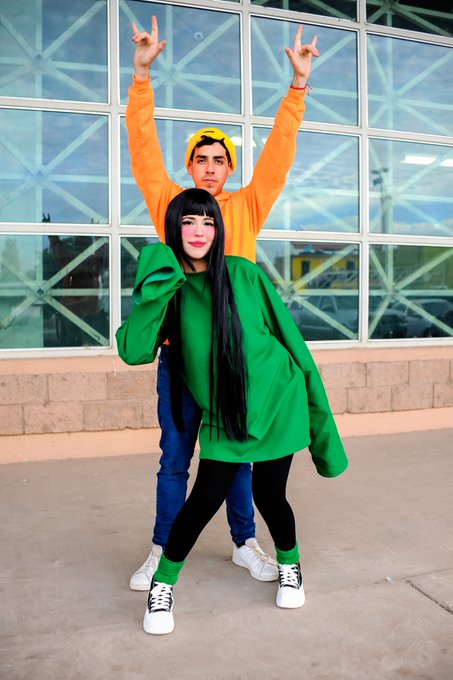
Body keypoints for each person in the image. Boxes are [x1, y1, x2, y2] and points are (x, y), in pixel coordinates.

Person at [126, 15, 319, 590]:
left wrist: (298, 87)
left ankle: (244, 543)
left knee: (237, 456)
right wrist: (141, 79)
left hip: (236, 358)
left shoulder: (246, 208)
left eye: (219, 161)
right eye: (201, 159)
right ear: (189, 166)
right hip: (182, 355)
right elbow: (143, 150)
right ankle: (161, 548)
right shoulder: (172, 205)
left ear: (230, 168)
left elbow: (279, 154)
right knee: (175, 458)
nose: (209, 169)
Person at [116, 188, 348, 635]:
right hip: (225, 415)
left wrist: (324, 432)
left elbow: (292, 342)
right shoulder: (172, 292)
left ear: (218, 230)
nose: (198, 231)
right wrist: (155, 283)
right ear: (173, 229)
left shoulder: (244, 272)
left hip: (277, 401)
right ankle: (162, 586)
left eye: (208, 222)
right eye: (189, 221)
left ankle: (290, 564)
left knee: (270, 496)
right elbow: (133, 351)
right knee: (203, 499)